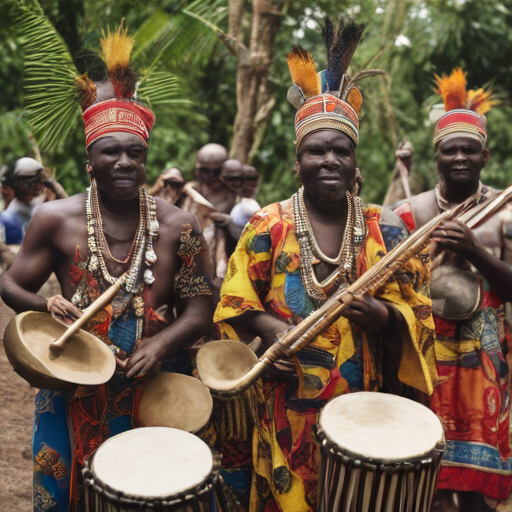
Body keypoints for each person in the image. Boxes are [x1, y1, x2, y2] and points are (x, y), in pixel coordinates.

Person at [212, 23, 438, 511]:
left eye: (341, 150)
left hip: (365, 402)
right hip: (284, 397)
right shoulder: (266, 225)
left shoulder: (388, 228)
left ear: (356, 162)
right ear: (298, 163)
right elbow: (233, 301)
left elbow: (420, 312)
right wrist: (270, 325)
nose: (329, 159)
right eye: (317, 150)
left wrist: (383, 316)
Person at [0, 25, 214, 511]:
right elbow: (9, 283)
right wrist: (44, 303)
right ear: (89, 158)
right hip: (72, 382)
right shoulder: (56, 219)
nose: (123, 161)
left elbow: (201, 309)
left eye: (134, 152)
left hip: (153, 384)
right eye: (109, 151)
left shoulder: (180, 226)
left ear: (146, 157)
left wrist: (161, 344)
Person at [393, 68, 512, 511]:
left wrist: (475, 250)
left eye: (469, 149)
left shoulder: (505, 210)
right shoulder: (406, 213)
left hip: (483, 358)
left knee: (478, 486)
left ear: (485, 156)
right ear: (436, 155)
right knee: (428, 478)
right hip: (421, 356)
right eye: (450, 149)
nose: (459, 157)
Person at [0, 158, 68, 245]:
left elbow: (69, 208)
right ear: (18, 183)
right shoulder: (7, 217)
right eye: (32, 181)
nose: (38, 185)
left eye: (40, 181)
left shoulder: (43, 208)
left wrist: (51, 182)